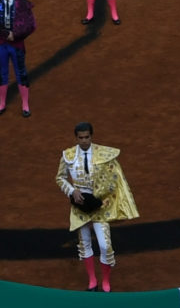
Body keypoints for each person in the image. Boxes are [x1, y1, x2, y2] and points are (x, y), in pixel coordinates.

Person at [58, 121, 139, 291]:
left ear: (91, 136)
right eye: (81, 138)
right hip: (80, 206)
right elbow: (60, 178)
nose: (84, 141)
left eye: (87, 137)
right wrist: (72, 192)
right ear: (76, 138)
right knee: (84, 243)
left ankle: (106, 281)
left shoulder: (103, 154)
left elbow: (114, 179)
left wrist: (103, 198)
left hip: (99, 205)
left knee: (104, 245)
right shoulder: (68, 155)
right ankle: (93, 280)